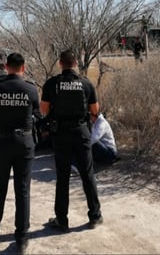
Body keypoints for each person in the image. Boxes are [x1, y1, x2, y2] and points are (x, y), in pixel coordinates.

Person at [0, 53, 39, 254]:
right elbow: (37, 112)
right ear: (23, 67)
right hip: (24, 143)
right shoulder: (31, 89)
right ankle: (22, 238)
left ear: (6, 66)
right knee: (22, 190)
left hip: (3, 143)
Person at [40, 50, 103, 232]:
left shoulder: (52, 84)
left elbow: (44, 110)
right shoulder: (86, 83)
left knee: (62, 177)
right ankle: (95, 216)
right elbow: (95, 110)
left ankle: (62, 219)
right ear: (76, 63)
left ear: (60, 63)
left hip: (61, 134)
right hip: (81, 132)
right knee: (87, 174)